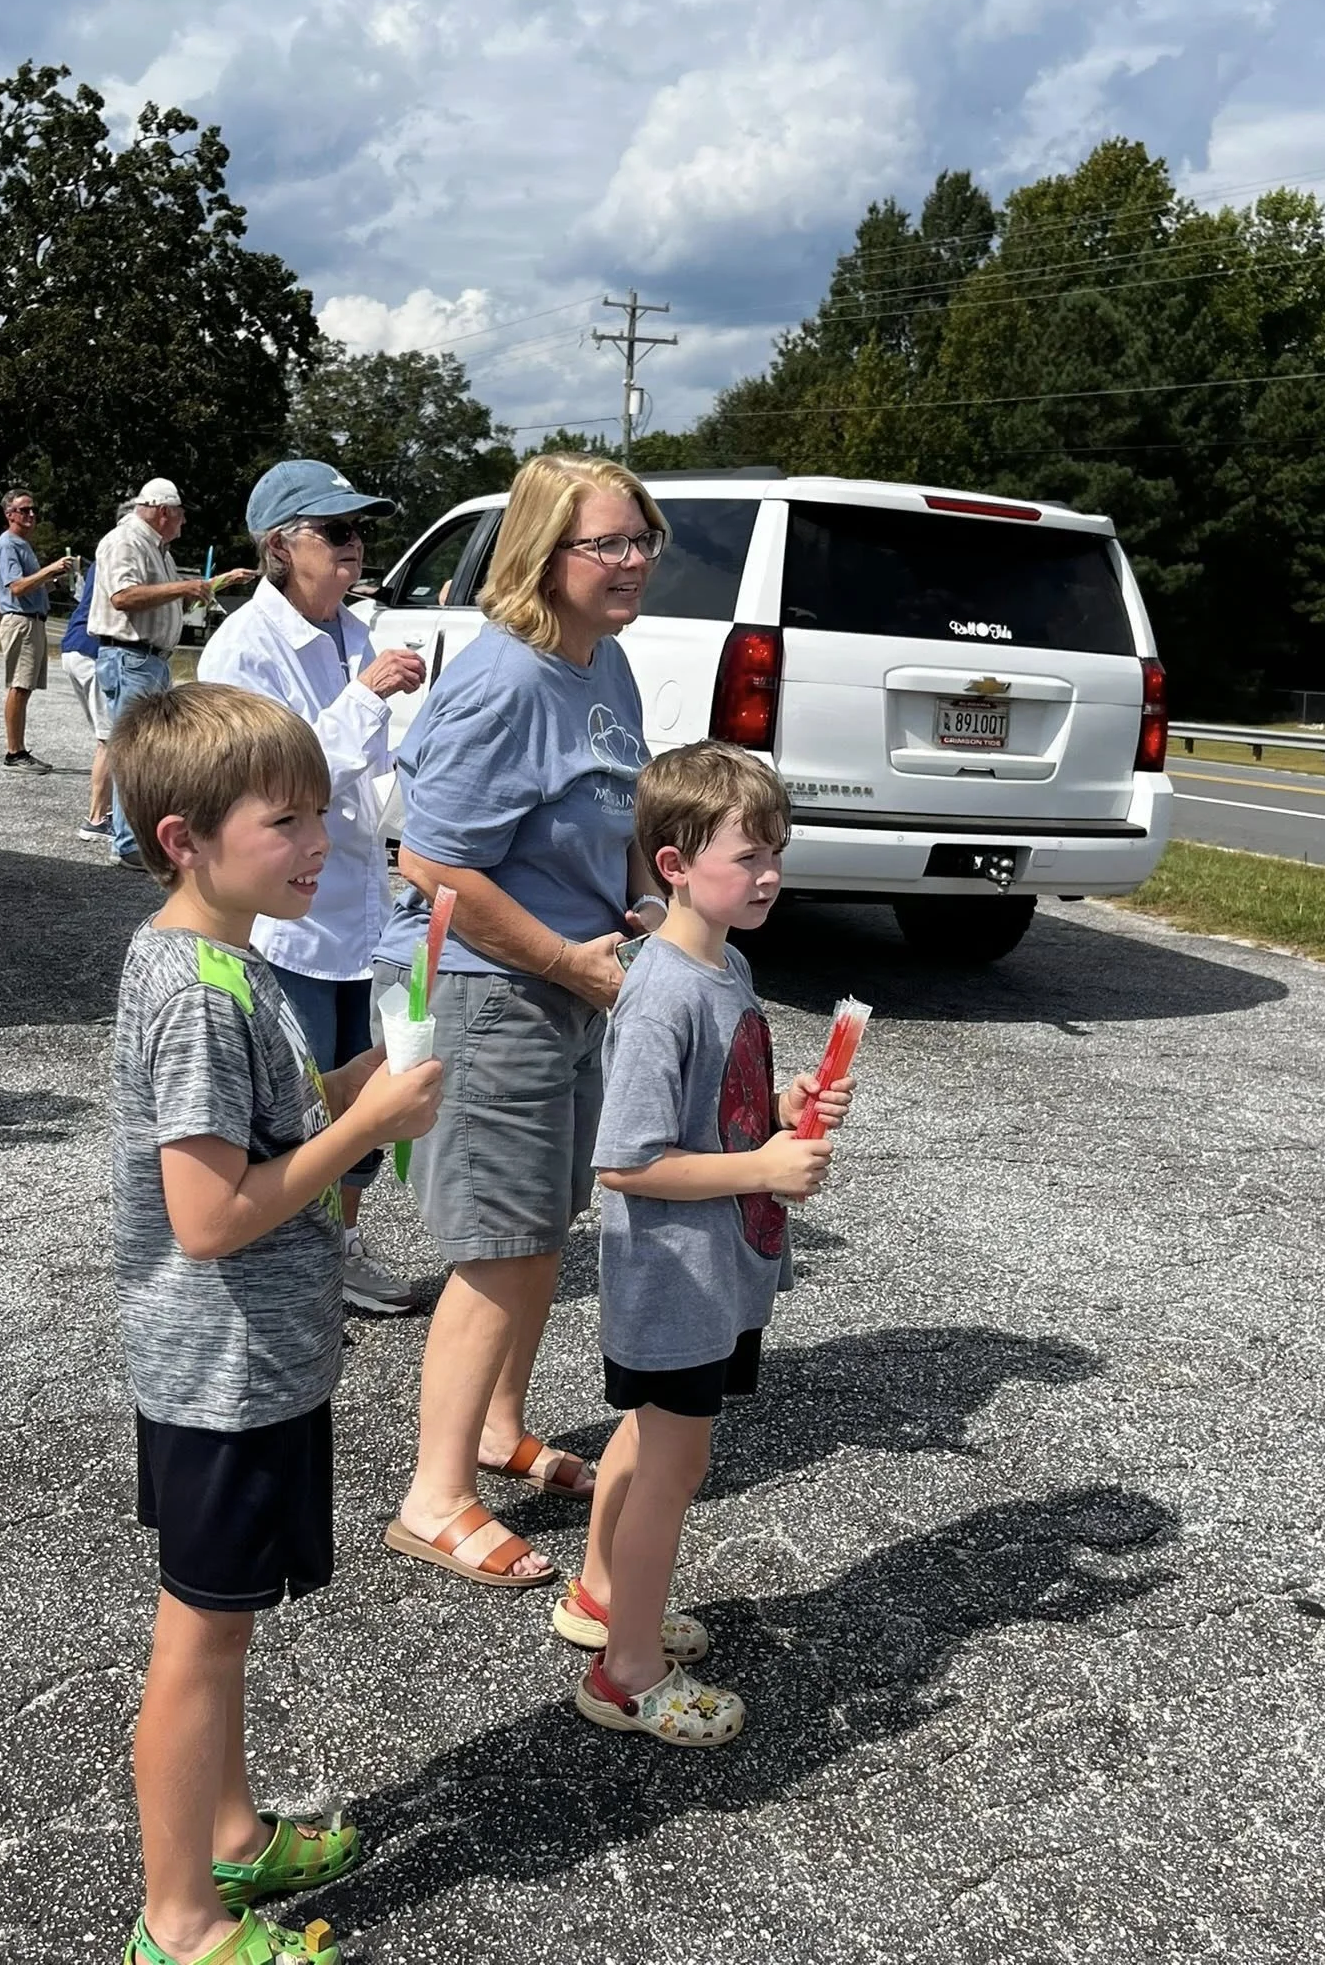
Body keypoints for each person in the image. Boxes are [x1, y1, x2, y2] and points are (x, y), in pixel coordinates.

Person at [106, 680, 442, 1965]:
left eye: (323, 814)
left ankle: (231, 1835)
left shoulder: (228, 961)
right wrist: (363, 1130)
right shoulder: (196, 987)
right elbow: (208, 1213)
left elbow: (274, 1129)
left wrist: (359, 1080)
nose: (321, 842)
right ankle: (178, 1920)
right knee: (199, 1633)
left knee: (227, 1623)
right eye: (287, 819)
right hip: (220, 1366)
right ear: (185, 838)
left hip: (255, 1357)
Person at [375, 451, 670, 1589]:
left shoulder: (606, 663)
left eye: (641, 536)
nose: (634, 558)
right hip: (495, 991)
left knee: (544, 1225)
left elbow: (621, 820)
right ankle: (434, 1494)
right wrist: (568, 960)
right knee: (497, 1244)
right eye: (610, 541)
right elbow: (434, 859)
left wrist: (647, 900)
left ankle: (499, 1431)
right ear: (543, 555)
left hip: (577, 984)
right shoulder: (502, 677)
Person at [566, 741, 854, 1745]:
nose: (771, 872)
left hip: (714, 1265)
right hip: (675, 1274)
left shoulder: (726, 961)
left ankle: (604, 1598)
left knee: (649, 1440)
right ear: (675, 861)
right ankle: (629, 1671)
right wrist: (764, 1169)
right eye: (749, 853)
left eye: (778, 849)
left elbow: (715, 1113)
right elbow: (627, 1161)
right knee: (673, 1467)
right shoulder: (664, 993)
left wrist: (782, 1107)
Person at [198, 459, 426, 1316]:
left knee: (367, 1078)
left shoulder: (353, 632)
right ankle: (284, 1250)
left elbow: (377, 766)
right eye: (334, 532)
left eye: (359, 531)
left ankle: (340, 1242)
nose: (354, 547)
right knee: (296, 1093)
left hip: (359, 901)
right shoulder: (242, 648)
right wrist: (366, 701)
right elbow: (274, 783)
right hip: (290, 914)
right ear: (277, 548)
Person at [89, 479, 250, 871]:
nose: (183, 522)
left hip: (147, 657)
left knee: (144, 749)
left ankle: (134, 841)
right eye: (180, 514)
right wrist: (184, 587)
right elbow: (123, 597)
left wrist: (213, 584)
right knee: (136, 751)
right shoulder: (126, 541)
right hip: (132, 655)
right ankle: (128, 844)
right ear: (164, 512)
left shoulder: (155, 546)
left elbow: (157, 593)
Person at [0, 486, 74, 772]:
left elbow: (32, 586)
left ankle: (19, 748)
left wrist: (55, 581)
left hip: (34, 620)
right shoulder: (8, 545)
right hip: (20, 621)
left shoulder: (23, 545)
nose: (31, 514)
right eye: (24, 509)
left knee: (25, 688)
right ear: (9, 514)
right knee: (20, 685)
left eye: (33, 509)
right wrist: (49, 570)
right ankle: (14, 752)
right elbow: (16, 588)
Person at [59, 539, 117, 839]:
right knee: (109, 738)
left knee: (105, 737)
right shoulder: (121, 555)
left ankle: (102, 813)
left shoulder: (100, 558)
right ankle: (96, 818)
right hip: (92, 650)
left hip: (73, 646)